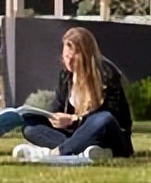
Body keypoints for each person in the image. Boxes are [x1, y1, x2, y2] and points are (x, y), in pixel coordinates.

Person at [11, 27, 133, 163]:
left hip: (107, 135)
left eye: (74, 58)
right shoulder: (66, 75)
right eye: (66, 57)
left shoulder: (106, 74)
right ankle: (84, 150)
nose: (68, 62)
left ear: (85, 56)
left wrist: (74, 119)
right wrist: (54, 118)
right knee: (30, 127)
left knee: (103, 119)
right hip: (75, 134)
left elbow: (115, 117)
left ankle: (58, 152)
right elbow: (57, 107)